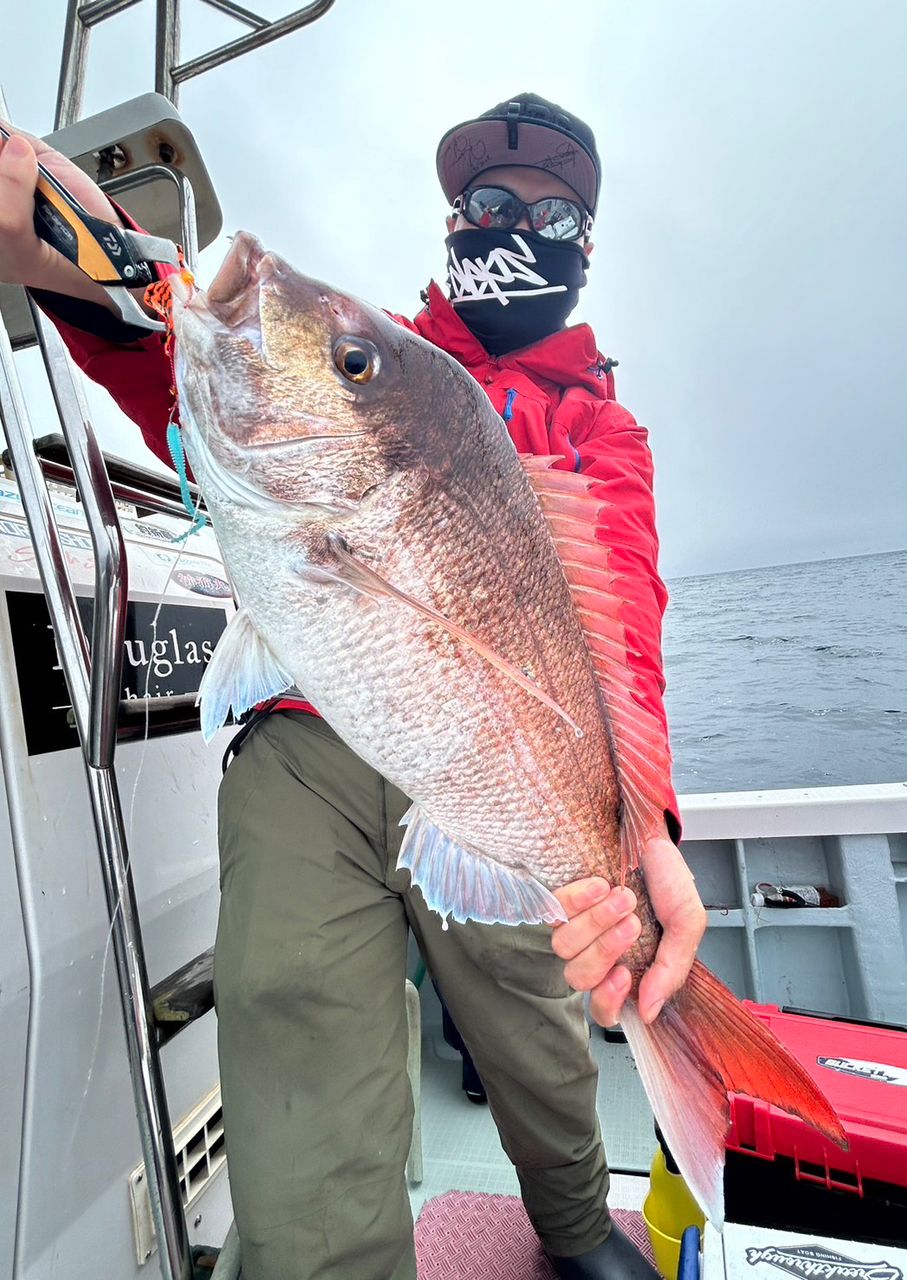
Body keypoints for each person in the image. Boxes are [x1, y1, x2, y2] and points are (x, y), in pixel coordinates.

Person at [0, 93, 707, 1280]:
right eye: (486, 203)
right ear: (450, 225)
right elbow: (164, 339)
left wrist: (647, 826)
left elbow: (620, 610)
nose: (510, 225)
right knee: (293, 1004)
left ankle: (578, 1219)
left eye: (547, 212)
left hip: (491, 759)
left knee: (535, 1027)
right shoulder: (365, 362)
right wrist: (61, 248)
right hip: (308, 737)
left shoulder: (601, 425)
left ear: (586, 246)